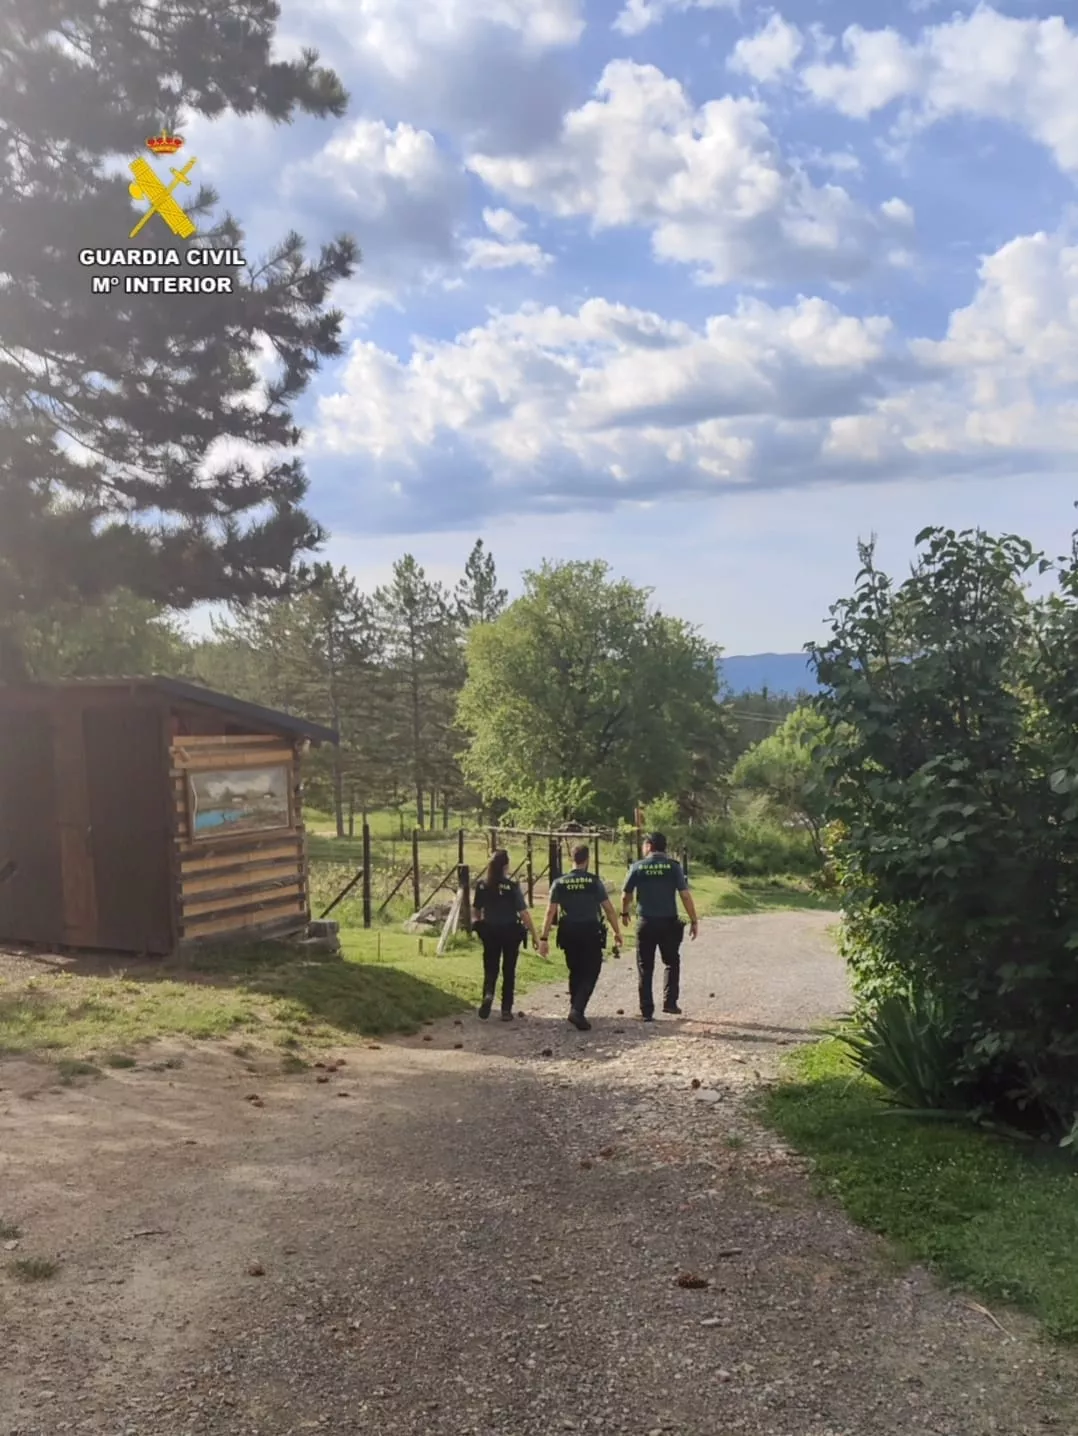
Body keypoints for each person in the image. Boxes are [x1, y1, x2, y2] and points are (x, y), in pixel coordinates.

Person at [539, 843, 622, 1031]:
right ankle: (577, 1009)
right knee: (592, 970)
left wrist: (543, 938)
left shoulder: (559, 882)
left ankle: (575, 1007)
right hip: (590, 930)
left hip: (568, 931)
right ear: (588, 859)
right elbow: (608, 909)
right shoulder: (594, 882)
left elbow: (550, 911)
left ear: (571, 859)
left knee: (575, 970)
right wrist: (617, 931)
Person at [621, 832, 698, 1021]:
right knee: (672, 962)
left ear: (649, 846)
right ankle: (670, 1003)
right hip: (669, 922)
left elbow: (626, 894)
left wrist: (624, 912)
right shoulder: (674, 868)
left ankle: (646, 1011)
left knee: (645, 966)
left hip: (646, 921)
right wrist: (694, 920)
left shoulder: (638, 867)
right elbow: (685, 895)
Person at [472, 849, 538, 1020]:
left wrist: (478, 924)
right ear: (506, 866)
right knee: (509, 970)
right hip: (510, 932)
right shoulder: (511, 886)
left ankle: (487, 995)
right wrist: (535, 936)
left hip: (490, 932)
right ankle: (506, 1010)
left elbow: (476, 910)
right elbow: (523, 913)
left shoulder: (482, 885)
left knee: (490, 967)